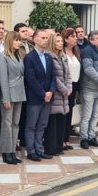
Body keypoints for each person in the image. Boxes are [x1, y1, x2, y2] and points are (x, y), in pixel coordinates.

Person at [23, 29, 56, 161]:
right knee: (31, 125)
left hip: (47, 97)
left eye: (46, 38)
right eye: (42, 38)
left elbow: (53, 76)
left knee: (42, 125)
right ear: (35, 39)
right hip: (35, 97)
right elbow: (31, 79)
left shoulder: (48, 57)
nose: (45, 40)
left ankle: (39, 149)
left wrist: (51, 92)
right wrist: (43, 94)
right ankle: (31, 151)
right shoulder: (29, 57)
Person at [0, 31, 25, 165]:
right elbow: (3, 79)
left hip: (20, 92)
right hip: (9, 93)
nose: (19, 42)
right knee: (6, 124)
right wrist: (5, 98)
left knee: (15, 123)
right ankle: (6, 151)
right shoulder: (3, 56)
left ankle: (13, 150)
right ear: (9, 41)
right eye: (16, 40)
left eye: (19, 40)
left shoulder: (18, 55)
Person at [44, 33, 71, 156]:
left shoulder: (63, 56)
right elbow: (54, 77)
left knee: (61, 122)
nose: (60, 43)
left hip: (64, 94)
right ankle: (51, 148)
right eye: (57, 41)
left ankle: (59, 148)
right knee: (52, 124)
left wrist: (69, 88)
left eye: (61, 41)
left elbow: (68, 75)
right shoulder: (49, 56)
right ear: (52, 43)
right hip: (56, 94)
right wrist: (64, 89)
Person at [61, 28, 81, 149]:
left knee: (70, 113)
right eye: (72, 36)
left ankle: (67, 138)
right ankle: (62, 139)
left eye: (75, 36)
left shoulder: (76, 51)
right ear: (66, 39)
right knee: (64, 113)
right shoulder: (62, 52)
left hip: (75, 85)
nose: (75, 38)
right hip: (65, 86)